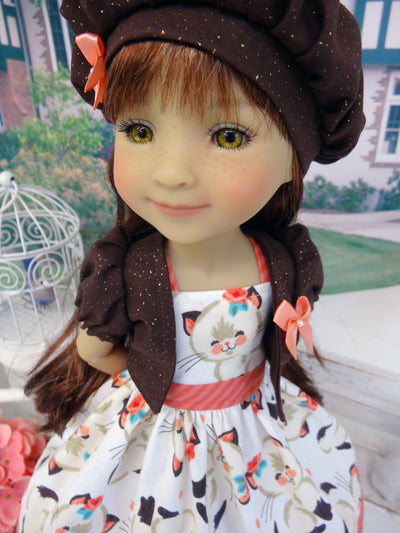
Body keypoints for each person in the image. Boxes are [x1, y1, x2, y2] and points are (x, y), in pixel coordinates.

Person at [19, 1, 365, 531]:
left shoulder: (285, 261)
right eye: (139, 130)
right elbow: (93, 348)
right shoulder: (125, 273)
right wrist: (156, 376)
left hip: (256, 433)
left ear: (293, 161)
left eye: (228, 136)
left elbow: (98, 353)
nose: (172, 173)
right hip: (154, 429)